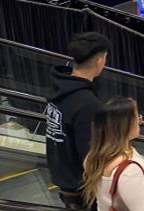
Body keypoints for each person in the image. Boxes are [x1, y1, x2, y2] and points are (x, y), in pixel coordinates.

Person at [46, 32, 110, 209]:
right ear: (99, 60)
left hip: (66, 182)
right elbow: (90, 155)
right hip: (83, 192)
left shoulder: (59, 87)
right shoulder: (87, 104)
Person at [81, 97, 144, 211]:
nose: (140, 122)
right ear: (126, 125)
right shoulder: (129, 171)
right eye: (137, 117)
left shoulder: (93, 158)